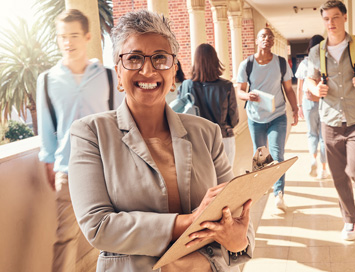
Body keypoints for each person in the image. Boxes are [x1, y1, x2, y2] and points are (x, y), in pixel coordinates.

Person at [68, 10, 255, 272]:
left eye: (160, 58)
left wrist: (239, 240)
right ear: (118, 73)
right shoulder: (91, 133)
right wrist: (190, 221)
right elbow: (98, 226)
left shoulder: (206, 133)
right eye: (134, 59)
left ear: (174, 70)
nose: (148, 69)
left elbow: (235, 213)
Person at [36, 9, 124, 271]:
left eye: (74, 35)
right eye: (62, 36)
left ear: (87, 37)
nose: (68, 42)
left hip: (106, 170)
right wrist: (51, 163)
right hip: (68, 170)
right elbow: (46, 127)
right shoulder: (48, 80)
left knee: (113, 237)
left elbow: (121, 123)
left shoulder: (108, 76)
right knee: (65, 238)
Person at [306, 0, 355, 241]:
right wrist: (316, 89)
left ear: (345, 17)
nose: (331, 23)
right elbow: (310, 80)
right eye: (327, 19)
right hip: (329, 122)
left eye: (335, 17)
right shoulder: (316, 51)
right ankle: (349, 220)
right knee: (339, 176)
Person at [236, 27, 299, 211]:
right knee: (260, 155)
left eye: (270, 36)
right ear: (257, 40)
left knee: (278, 154)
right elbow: (240, 90)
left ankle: (279, 194)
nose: (267, 39)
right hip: (255, 117)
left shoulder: (280, 63)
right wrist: (248, 96)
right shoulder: (246, 64)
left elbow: (288, 89)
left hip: (278, 115)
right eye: (263, 36)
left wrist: (295, 109)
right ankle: (262, 186)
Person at [180, 43, 239, 166]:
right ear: (215, 60)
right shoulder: (226, 86)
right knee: (225, 181)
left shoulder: (186, 85)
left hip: (196, 140)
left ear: (195, 61)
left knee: (203, 182)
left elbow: (180, 114)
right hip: (223, 137)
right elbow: (233, 119)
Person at [295, 35, 328, 179]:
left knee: (311, 133)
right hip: (325, 101)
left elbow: (300, 87)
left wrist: (299, 105)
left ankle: (313, 159)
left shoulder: (304, 63)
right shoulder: (327, 62)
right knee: (323, 136)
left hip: (308, 102)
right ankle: (323, 169)